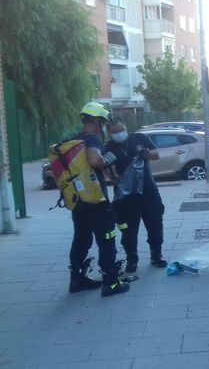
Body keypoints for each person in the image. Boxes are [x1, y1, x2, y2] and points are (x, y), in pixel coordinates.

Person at [69, 102, 130, 297]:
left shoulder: (73, 139)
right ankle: (111, 283)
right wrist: (106, 160)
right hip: (96, 200)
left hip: (78, 199)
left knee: (81, 238)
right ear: (96, 121)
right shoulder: (92, 138)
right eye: (102, 122)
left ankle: (76, 280)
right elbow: (95, 160)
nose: (102, 127)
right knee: (107, 239)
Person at [105, 117, 167, 272]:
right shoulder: (108, 147)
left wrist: (147, 153)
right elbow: (108, 173)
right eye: (115, 132)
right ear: (109, 133)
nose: (119, 134)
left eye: (121, 130)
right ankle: (131, 259)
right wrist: (114, 176)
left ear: (125, 126)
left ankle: (156, 254)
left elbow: (156, 154)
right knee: (128, 232)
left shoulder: (139, 138)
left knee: (155, 226)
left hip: (149, 193)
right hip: (125, 198)